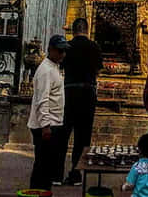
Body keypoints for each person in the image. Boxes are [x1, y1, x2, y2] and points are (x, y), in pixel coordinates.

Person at [59, 17, 103, 186]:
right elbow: (98, 69)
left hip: (69, 91)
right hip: (88, 92)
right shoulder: (95, 47)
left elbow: (62, 67)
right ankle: (76, 174)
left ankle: (56, 174)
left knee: (63, 133)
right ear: (87, 29)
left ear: (73, 30)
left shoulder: (67, 47)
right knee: (83, 135)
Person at [27, 34, 69, 190]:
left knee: (46, 166)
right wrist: (45, 125)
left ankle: (43, 191)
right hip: (45, 125)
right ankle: (38, 191)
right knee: (42, 166)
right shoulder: (45, 71)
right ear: (51, 50)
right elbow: (42, 100)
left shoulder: (54, 68)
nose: (62, 54)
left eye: (64, 51)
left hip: (52, 123)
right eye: (60, 51)